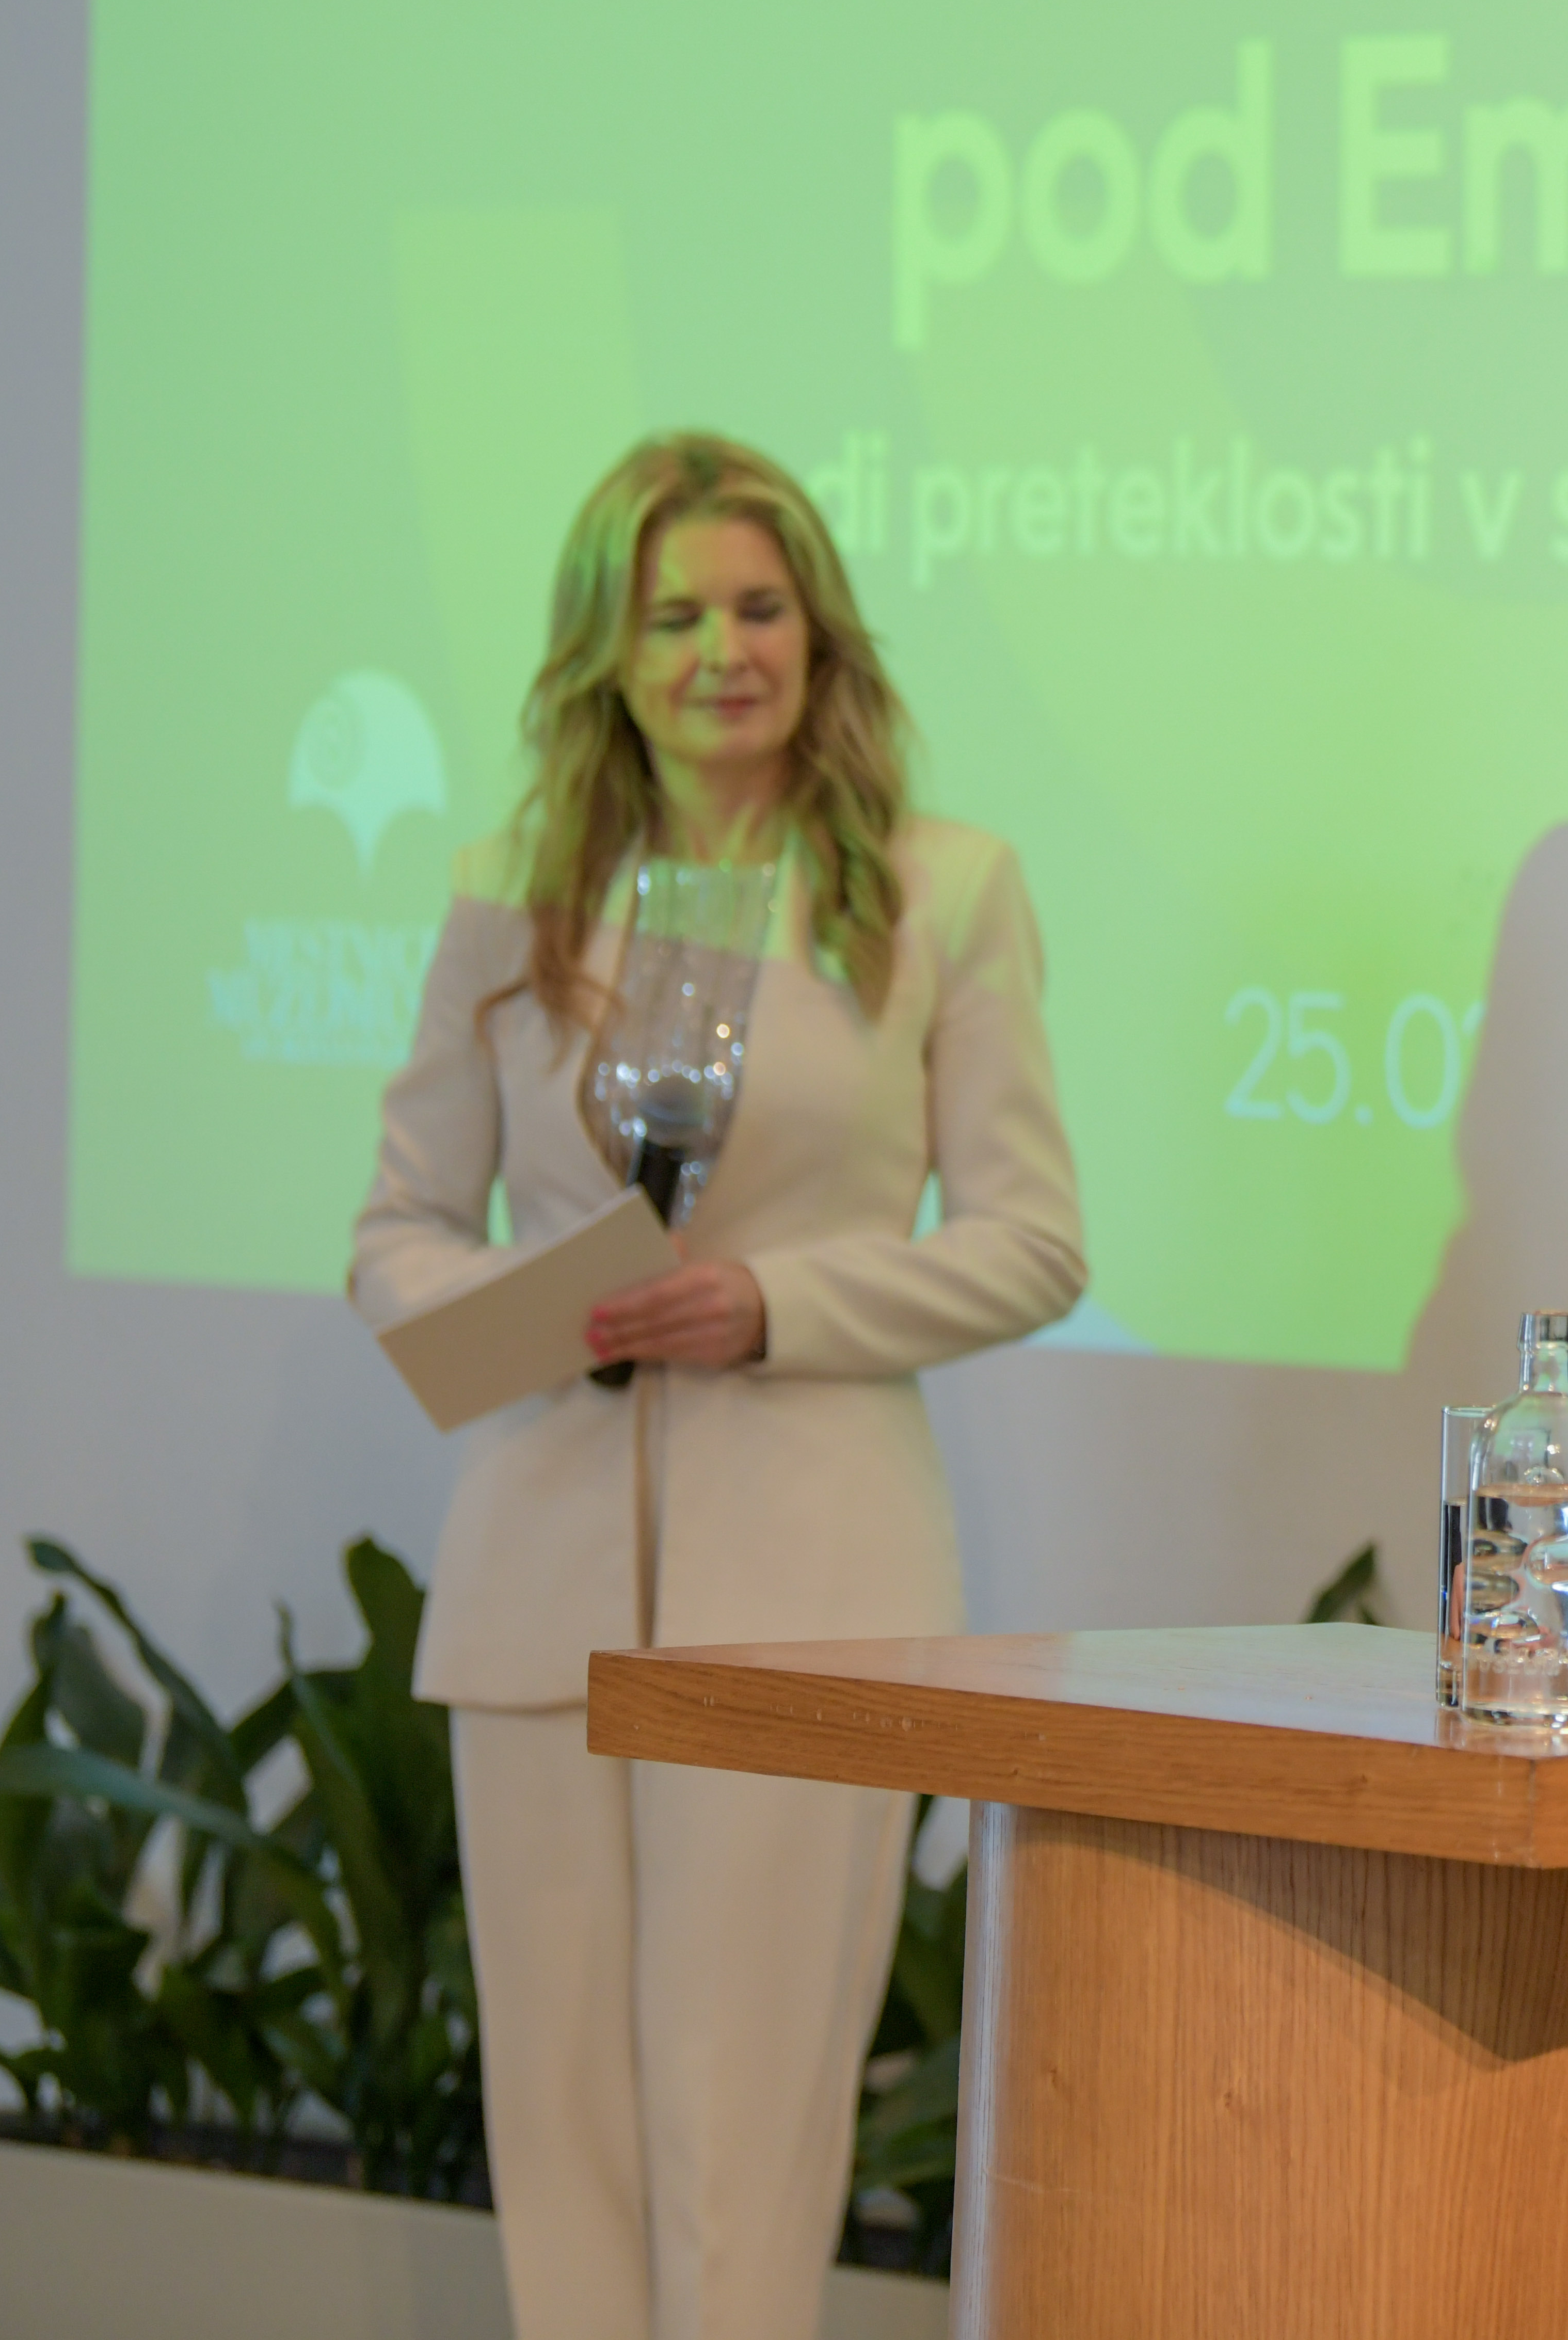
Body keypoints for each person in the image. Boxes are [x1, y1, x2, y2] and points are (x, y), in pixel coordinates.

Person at [351, 434, 1084, 2340]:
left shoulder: (942, 889)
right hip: (537, 1588)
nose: (720, 652)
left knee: (746, 2142)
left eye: (758, 608)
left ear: (818, 634)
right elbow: (399, 1232)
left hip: (809, 1587)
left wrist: (769, 1304)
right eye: (673, 615)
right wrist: (535, 1309)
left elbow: (1035, 1240)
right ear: (607, 652)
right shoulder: (507, 895)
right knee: (564, 2139)